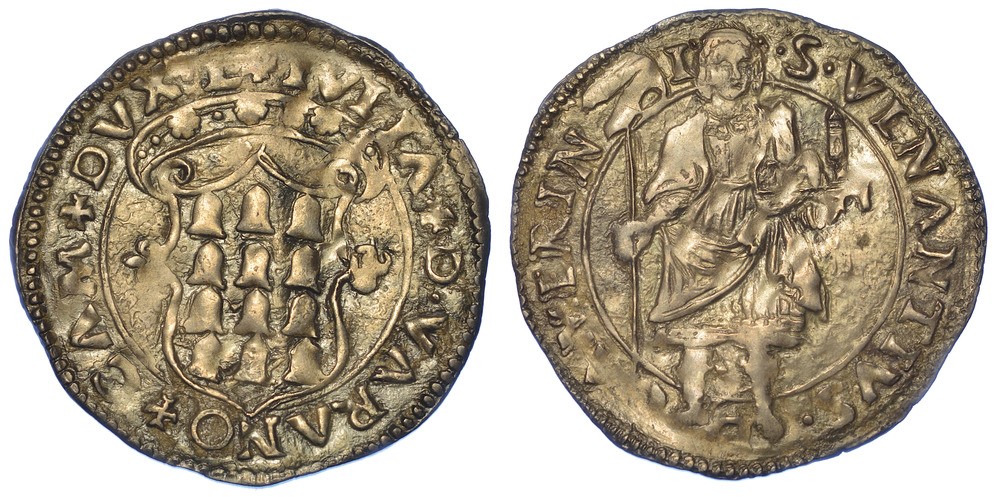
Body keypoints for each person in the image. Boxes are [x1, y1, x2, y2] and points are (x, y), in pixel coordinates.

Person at [612, 26, 829, 442]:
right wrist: (648, 223)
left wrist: (774, 201)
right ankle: (693, 405)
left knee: (756, 329)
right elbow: (677, 189)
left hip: (759, 228)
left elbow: (786, 173)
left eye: (743, 65)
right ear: (705, 72)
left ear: (754, 71)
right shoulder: (686, 130)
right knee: (697, 332)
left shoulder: (776, 117)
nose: (734, 75)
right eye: (722, 65)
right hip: (704, 233)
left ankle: (764, 408)